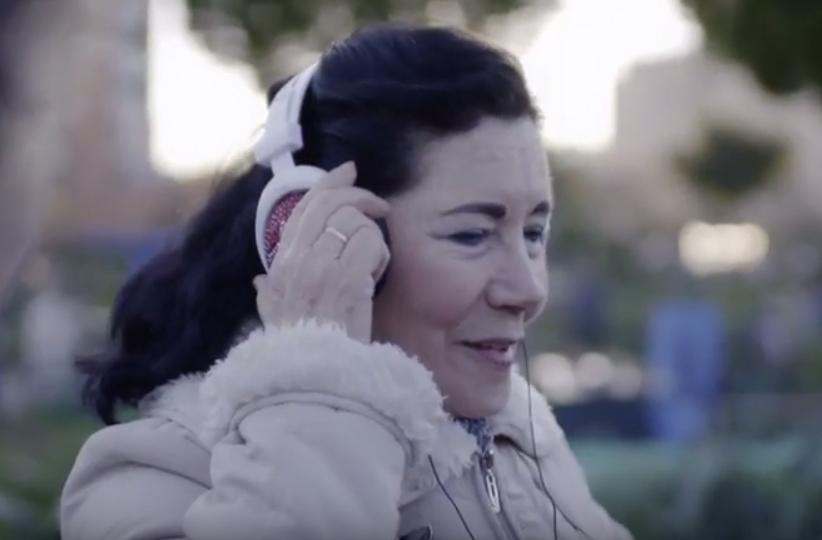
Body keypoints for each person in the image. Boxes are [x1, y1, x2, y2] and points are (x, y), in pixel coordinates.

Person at [60, 24, 632, 540]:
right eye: (472, 235)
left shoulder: (519, 435)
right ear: (315, 230)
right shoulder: (151, 479)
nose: (529, 291)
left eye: (534, 232)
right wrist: (319, 378)